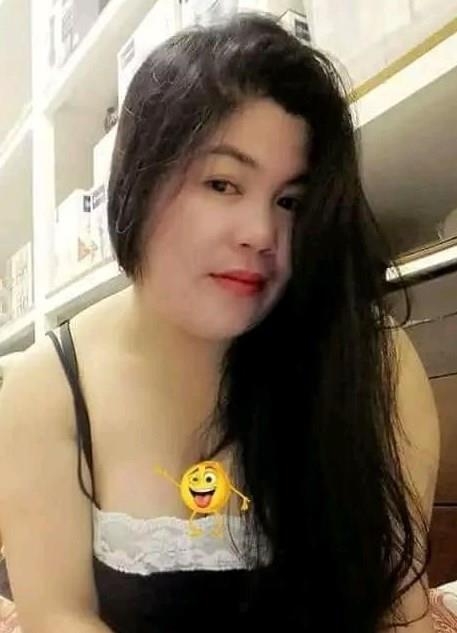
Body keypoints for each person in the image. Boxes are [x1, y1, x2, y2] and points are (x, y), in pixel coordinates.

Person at [0, 13, 440, 633]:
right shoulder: (46, 389)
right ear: (137, 181)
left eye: (290, 201)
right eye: (223, 183)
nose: (261, 233)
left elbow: (400, 609)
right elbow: (59, 616)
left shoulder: (373, 362)